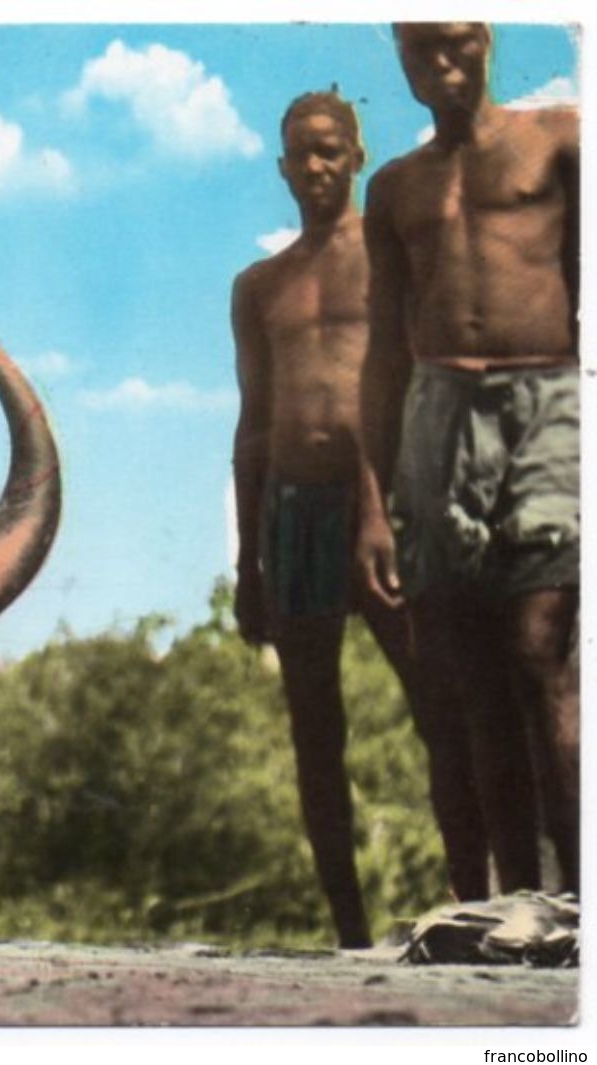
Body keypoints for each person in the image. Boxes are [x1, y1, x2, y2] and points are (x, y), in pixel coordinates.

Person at [233, 91, 489, 948]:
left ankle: (473, 899)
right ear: (281, 167)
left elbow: (408, 384)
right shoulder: (258, 284)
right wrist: (247, 564)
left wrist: (384, 504)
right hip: (290, 513)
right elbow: (252, 424)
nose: (315, 167)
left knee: (436, 700)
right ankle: (347, 933)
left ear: (356, 155)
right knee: (314, 726)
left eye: (330, 150)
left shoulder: (385, 262)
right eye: (300, 154)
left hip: (379, 501)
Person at [357, 24, 579, 894]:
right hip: (437, 407)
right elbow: (383, 349)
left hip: (548, 396)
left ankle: (578, 901)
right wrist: (374, 502)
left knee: (537, 646)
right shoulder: (395, 189)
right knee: (475, 665)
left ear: (484, 38)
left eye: (453, 45)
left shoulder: (559, 139)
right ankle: (519, 901)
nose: (438, 67)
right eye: (418, 52)